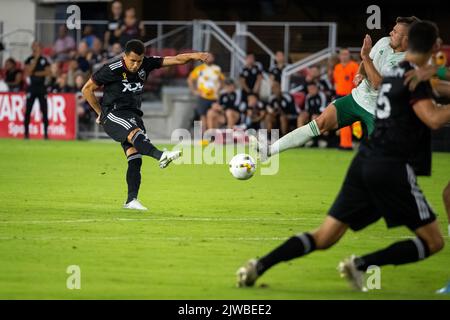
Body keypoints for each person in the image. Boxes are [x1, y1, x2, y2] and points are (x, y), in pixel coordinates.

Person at [237, 21, 449, 291]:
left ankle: (258, 266)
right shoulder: (413, 78)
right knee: (434, 242)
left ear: (410, 42)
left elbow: (436, 84)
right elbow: (432, 117)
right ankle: (360, 264)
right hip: (392, 168)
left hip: (364, 163)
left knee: (325, 236)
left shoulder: (405, 73)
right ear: (433, 47)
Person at [253, 16, 419, 160]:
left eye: (396, 32)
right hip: (356, 99)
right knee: (319, 122)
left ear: (407, 39)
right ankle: (270, 150)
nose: (391, 32)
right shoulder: (383, 42)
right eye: (393, 29)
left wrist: (365, 57)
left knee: (381, 155)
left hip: (379, 111)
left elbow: (378, 84)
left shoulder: (407, 61)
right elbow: (365, 63)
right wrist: (360, 73)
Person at [82, 39, 211, 210]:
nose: (136, 65)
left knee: (135, 158)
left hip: (133, 114)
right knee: (135, 134)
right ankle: (161, 155)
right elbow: (87, 89)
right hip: (114, 113)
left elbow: (176, 59)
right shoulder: (111, 69)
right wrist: (100, 113)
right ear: (125, 57)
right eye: (132, 61)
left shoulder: (146, 64)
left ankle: (131, 200)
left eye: (139, 61)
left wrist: (196, 55)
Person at [187, 53, 224, 131]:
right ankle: (204, 136)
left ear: (213, 58)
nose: (208, 58)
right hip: (203, 96)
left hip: (214, 97)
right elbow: (190, 79)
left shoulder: (217, 69)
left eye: (210, 56)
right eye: (207, 56)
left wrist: (219, 89)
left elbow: (222, 81)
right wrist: (194, 91)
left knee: (213, 114)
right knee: (203, 116)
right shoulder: (199, 69)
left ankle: (213, 135)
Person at [333, 48, 360, 149]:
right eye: (342, 54)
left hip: (351, 96)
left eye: (346, 54)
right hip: (340, 96)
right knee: (343, 121)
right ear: (339, 56)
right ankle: (345, 144)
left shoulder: (354, 66)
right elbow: (336, 83)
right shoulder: (337, 67)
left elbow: (357, 82)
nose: (344, 56)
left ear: (349, 55)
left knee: (353, 121)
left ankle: (355, 141)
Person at [24, 42, 51, 139]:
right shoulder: (29, 60)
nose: (38, 48)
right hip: (32, 88)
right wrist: (36, 59)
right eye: (36, 47)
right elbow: (29, 71)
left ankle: (46, 134)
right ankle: (26, 133)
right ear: (33, 48)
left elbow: (48, 72)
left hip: (41, 88)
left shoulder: (44, 60)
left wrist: (35, 73)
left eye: (39, 46)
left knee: (44, 111)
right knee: (28, 111)